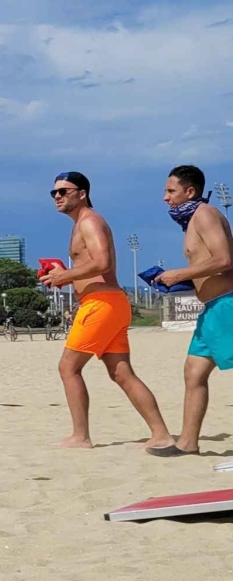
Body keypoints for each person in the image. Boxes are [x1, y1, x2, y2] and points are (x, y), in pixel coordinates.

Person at [41, 171, 174, 450]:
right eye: (54, 192)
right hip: (108, 303)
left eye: (64, 191)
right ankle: (160, 434)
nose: (57, 197)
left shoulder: (89, 221)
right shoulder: (81, 224)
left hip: (101, 304)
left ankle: (80, 436)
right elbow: (92, 266)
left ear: (82, 194)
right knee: (121, 373)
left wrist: (66, 276)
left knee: (68, 367)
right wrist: (63, 274)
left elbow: (103, 263)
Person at [151, 165, 233, 456]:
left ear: (189, 191)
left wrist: (180, 273)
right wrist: (181, 280)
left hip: (227, 305)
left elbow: (225, 260)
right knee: (193, 372)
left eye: (170, 191)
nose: (165, 197)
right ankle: (187, 443)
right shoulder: (193, 220)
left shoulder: (205, 214)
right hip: (211, 309)